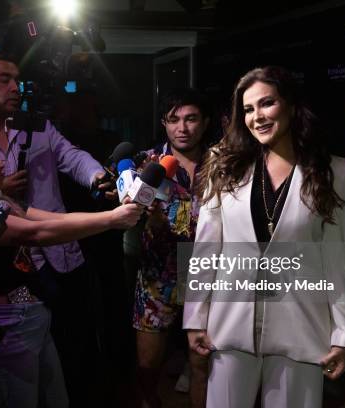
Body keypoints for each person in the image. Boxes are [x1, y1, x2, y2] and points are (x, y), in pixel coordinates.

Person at [0, 127, 143, 408]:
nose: (2, 162)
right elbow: (34, 234)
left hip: (29, 318)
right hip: (3, 326)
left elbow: (52, 221)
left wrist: (110, 215)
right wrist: (111, 220)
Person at [183, 66, 345, 408]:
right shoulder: (224, 167)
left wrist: (343, 333)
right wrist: (195, 317)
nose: (257, 116)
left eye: (267, 104)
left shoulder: (334, 172)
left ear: (290, 106)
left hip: (302, 332)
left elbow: (336, 261)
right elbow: (206, 250)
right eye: (248, 109)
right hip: (229, 329)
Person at [0, 52, 117, 405]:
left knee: (75, 345)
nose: (15, 88)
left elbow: (73, 156)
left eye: (17, 80)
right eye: (4, 80)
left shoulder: (37, 126)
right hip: (12, 265)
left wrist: (96, 176)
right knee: (26, 355)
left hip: (62, 256)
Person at [132, 88, 211, 408]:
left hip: (207, 277)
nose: (183, 127)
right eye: (174, 119)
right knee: (147, 366)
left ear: (205, 123)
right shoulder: (147, 164)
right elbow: (125, 216)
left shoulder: (222, 163)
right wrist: (143, 218)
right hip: (157, 276)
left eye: (191, 119)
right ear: (164, 124)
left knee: (201, 366)